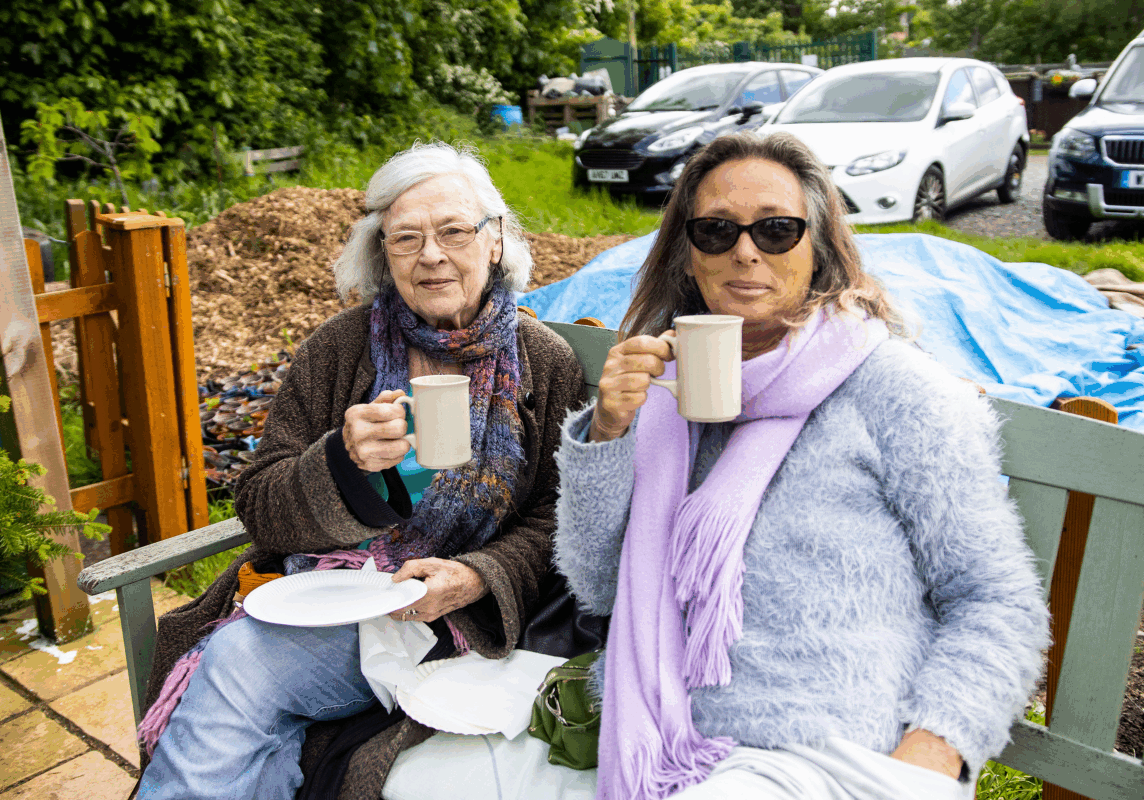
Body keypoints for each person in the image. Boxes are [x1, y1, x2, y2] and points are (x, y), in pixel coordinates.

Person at [553, 132, 1049, 800]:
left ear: (819, 248)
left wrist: (933, 749)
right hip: (669, 736)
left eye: (778, 230)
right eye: (716, 230)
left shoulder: (898, 392)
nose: (746, 251)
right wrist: (609, 431)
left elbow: (997, 599)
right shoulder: (662, 393)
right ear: (687, 252)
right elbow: (600, 590)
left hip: (831, 749)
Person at [136, 142, 586, 800]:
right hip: (323, 598)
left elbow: (559, 517)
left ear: (495, 242)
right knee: (242, 684)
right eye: (407, 237)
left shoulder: (544, 364)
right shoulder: (339, 350)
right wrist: (339, 466)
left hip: (440, 620)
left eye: (454, 231)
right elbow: (258, 501)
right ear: (384, 253)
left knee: (239, 669)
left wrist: (475, 575)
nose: (431, 255)